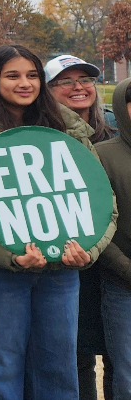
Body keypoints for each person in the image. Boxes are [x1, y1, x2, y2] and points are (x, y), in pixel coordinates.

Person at [0, 45, 114, 400]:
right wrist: (7, 253)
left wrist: (89, 250)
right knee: (1, 371)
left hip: (60, 272)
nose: (25, 83)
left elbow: (100, 199)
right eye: (13, 75)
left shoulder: (68, 129)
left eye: (32, 75)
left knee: (59, 370)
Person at [43, 54, 118, 400]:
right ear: (48, 90)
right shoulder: (40, 138)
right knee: (76, 354)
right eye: (65, 82)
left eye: (85, 80)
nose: (78, 88)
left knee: (119, 355)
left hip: (115, 262)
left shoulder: (116, 130)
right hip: (69, 262)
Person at [94, 78, 131, 400]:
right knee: (127, 371)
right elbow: (97, 223)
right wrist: (125, 269)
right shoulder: (102, 156)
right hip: (122, 284)